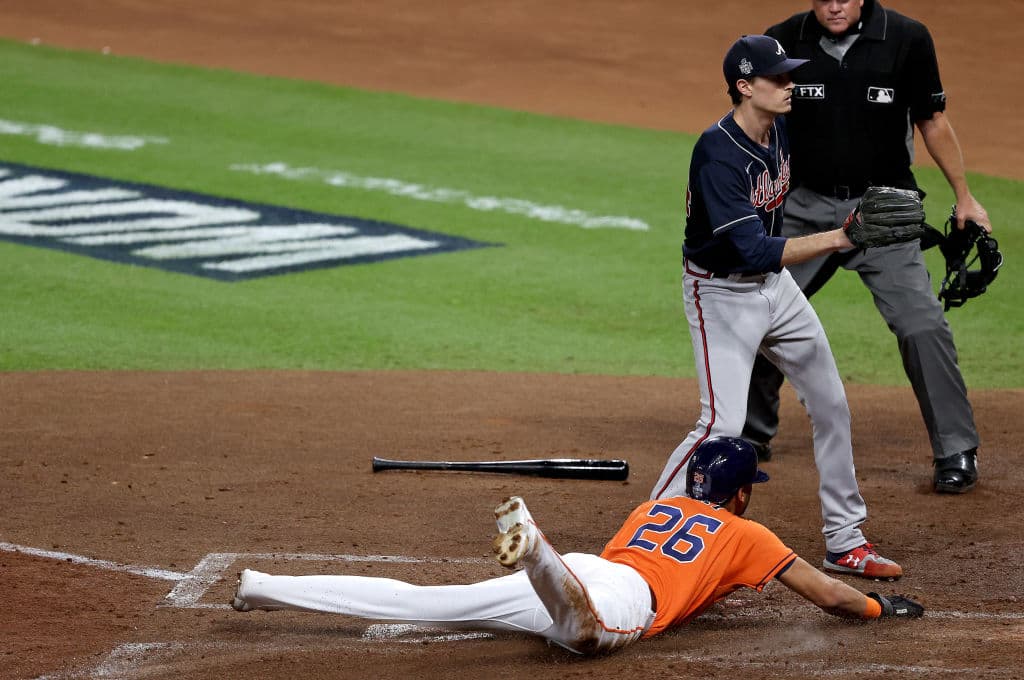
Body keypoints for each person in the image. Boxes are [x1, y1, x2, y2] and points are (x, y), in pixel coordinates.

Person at [231, 437, 923, 656]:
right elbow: (829, 592)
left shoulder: (653, 505)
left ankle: (263, 584)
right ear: (741, 494)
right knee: (585, 636)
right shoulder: (747, 532)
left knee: (430, 602)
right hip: (614, 596)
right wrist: (876, 610)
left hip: (597, 566)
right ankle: (532, 545)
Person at [651, 34, 903, 580]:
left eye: (790, 76)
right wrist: (843, 236)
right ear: (745, 87)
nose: (790, 86)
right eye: (778, 79)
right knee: (720, 422)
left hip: (776, 288)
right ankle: (645, 533)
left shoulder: (778, 128)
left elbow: (771, 254)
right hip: (720, 294)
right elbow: (753, 248)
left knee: (832, 405)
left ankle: (845, 540)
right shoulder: (717, 153)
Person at [744, 0, 990, 494]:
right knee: (757, 309)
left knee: (921, 322)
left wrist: (965, 196)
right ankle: (750, 434)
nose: (835, 6)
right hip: (802, 206)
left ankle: (956, 449)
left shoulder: (906, 37)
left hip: (884, 208)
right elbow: (757, 119)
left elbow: (932, 119)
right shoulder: (783, 39)